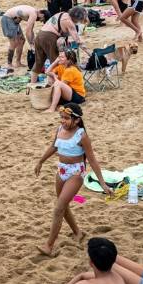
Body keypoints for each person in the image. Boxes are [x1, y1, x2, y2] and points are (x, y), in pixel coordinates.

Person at [33, 103, 110, 257]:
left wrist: (102, 182)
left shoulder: (82, 135)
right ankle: (77, 232)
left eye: (66, 118)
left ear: (76, 120)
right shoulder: (60, 130)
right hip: (61, 170)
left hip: (76, 173)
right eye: (61, 117)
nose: (62, 121)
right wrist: (41, 161)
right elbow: (54, 147)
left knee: (59, 208)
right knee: (63, 205)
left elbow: (92, 160)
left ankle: (49, 245)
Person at [32, 6, 86, 82]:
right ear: (77, 18)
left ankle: (32, 84)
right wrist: (89, 52)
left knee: (39, 61)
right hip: (49, 37)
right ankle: (55, 84)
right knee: (56, 62)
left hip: (40, 35)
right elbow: (77, 40)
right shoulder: (69, 22)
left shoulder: (62, 14)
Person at [1, 4, 42, 71]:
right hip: (8, 19)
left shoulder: (34, 12)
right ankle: (9, 64)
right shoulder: (34, 14)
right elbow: (28, 31)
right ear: (42, 14)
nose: (40, 21)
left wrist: (33, 42)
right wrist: (31, 45)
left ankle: (18, 62)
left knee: (21, 40)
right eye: (42, 19)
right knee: (13, 43)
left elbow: (31, 30)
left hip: (14, 21)